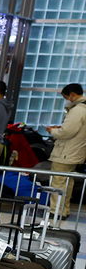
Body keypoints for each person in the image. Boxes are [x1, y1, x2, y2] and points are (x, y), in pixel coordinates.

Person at [48, 83, 86, 218]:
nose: (68, 100)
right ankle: (64, 210)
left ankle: (56, 211)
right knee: (68, 183)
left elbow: (66, 132)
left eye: (67, 97)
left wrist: (53, 130)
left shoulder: (77, 110)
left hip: (65, 152)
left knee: (58, 182)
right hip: (76, 152)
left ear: (73, 95)